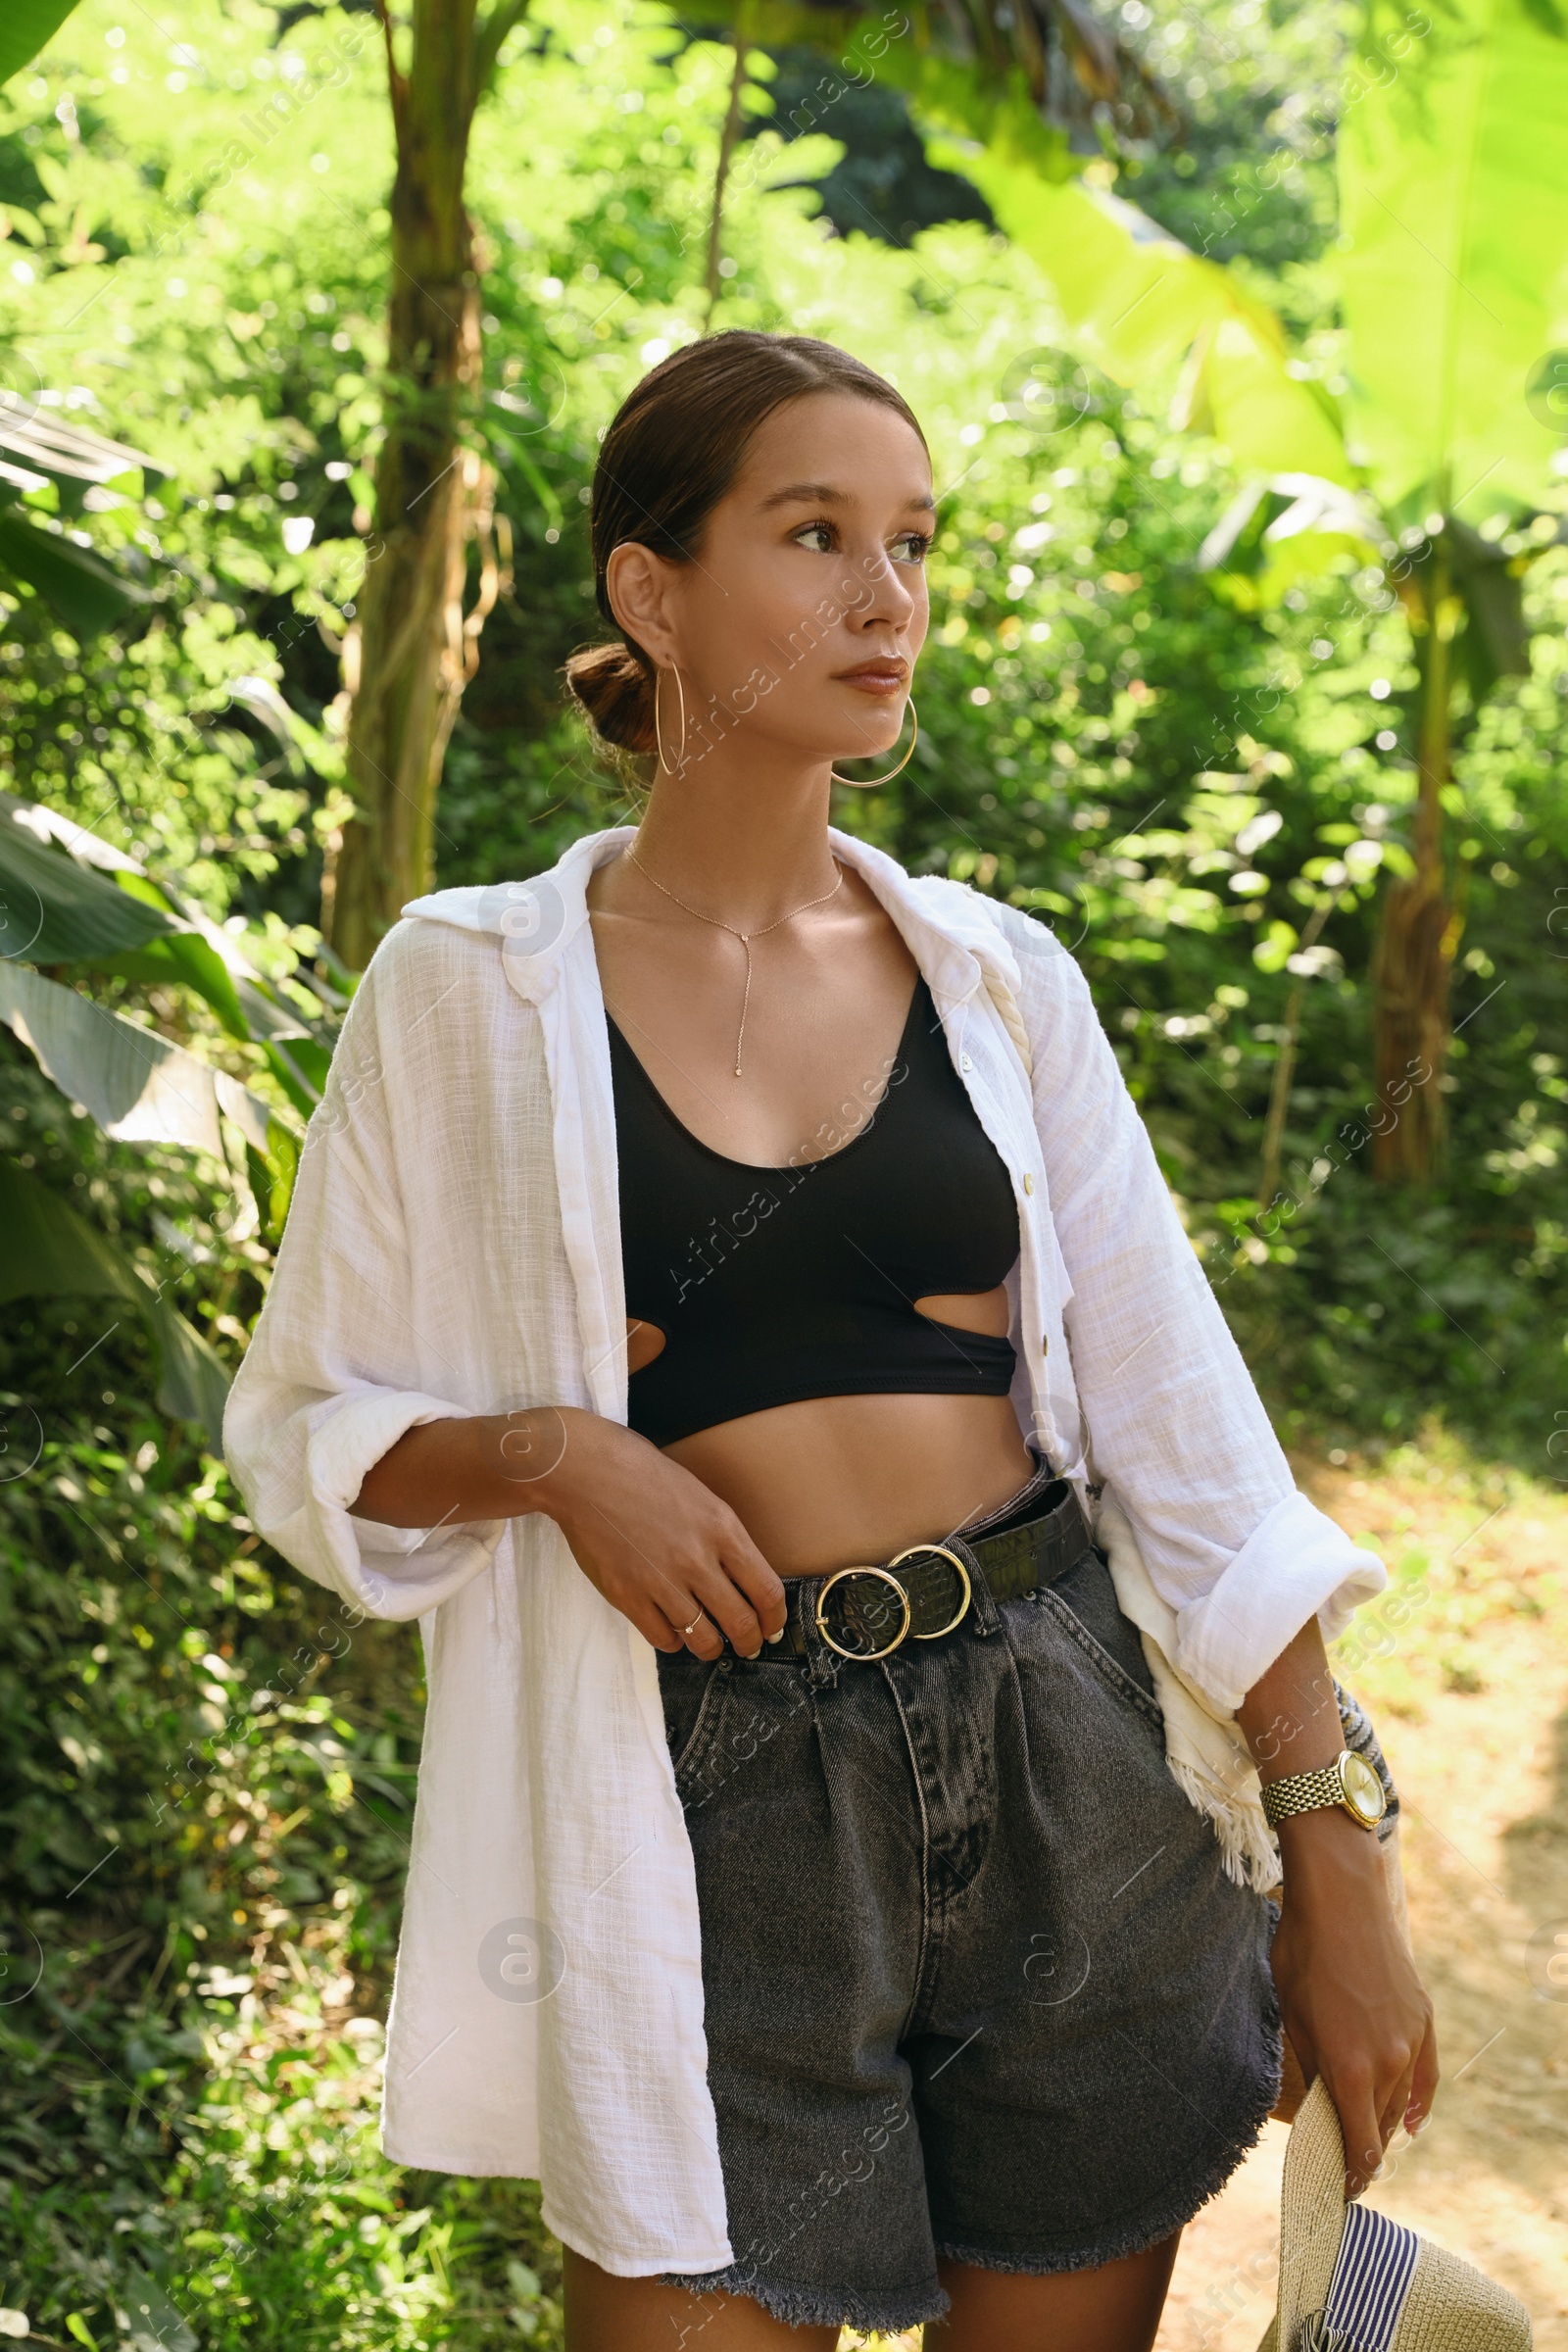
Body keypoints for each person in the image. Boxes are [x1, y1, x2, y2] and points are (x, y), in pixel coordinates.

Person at [224, 330, 1437, 2352]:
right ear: (651, 592)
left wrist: (1338, 1856)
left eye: (912, 544)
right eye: (815, 535)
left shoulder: (995, 981)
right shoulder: (463, 998)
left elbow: (1182, 1440)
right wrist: (549, 1454)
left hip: (1061, 1754)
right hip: (698, 1793)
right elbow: (305, 1430)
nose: (888, 600)